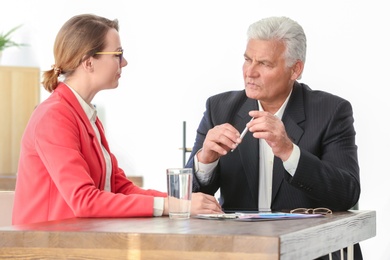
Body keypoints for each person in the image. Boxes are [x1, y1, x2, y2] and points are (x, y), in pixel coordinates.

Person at [12, 13, 223, 225]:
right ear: (88, 62)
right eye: (117, 54)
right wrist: (175, 206)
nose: (125, 62)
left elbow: (119, 187)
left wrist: (179, 202)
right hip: (47, 248)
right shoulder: (54, 116)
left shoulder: (86, 115)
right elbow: (84, 200)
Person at [185, 16, 362, 259]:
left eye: (265, 64)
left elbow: (347, 194)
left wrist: (289, 151)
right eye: (248, 60)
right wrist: (205, 160)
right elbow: (183, 200)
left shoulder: (331, 111)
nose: (251, 72)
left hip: (312, 250)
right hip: (241, 251)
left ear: (295, 69)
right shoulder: (220, 108)